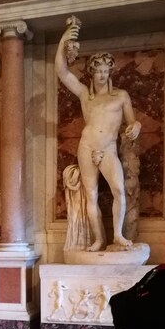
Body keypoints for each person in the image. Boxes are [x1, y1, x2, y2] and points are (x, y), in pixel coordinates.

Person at [55, 20, 141, 251]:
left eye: (106, 71)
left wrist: (136, 126)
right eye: (99, 71)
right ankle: (99, 239)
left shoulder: (121, 96)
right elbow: (62, 72)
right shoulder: (85, 94)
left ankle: (118, 236)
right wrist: (64, 38)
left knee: (119, 190)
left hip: (109, 148)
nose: (102, 75)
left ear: (110, 71)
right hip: (87, 147)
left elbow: (132, 121)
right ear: (92, 72)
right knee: (91, 195)